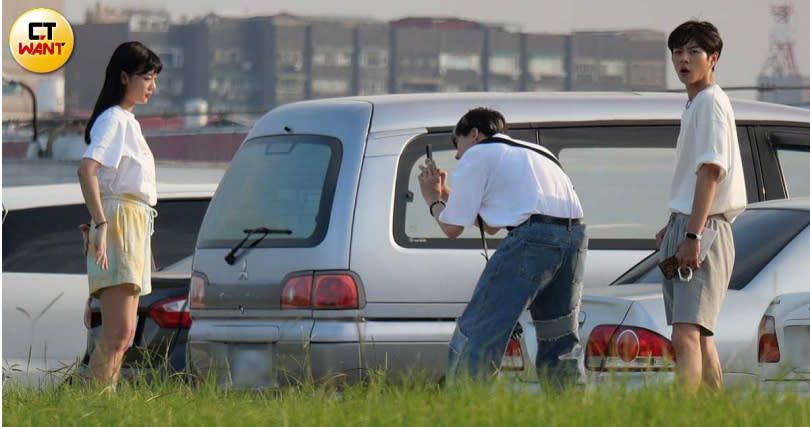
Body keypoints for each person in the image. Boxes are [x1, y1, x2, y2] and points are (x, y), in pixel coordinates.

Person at [418, 107, 586, 385]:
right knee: (559, 338)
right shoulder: (536, 152)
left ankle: (464, 409)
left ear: (473, 134)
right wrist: (450, 193)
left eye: (457, 145)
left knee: (478, 331)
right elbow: (493, 222)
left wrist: (432, 198)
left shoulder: (477, 154)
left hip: (531, 239)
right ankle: (569, 410)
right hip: (574, 237)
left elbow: (451, 228)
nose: (458, 155)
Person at [656, 21, 746, 392]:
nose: (684, 59)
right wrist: (675, 222)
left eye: (694, 52)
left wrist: (692, 232)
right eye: (678, 52)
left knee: (686, 334)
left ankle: (684, 415)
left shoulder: (709, 103)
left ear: (714, 58)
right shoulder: (696, 102)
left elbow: (711, 171)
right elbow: (697, 176)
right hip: (691, 222)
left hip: (704, 227)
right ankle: (713, 414)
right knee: (700, 333)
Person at [77, 41, 162, 389]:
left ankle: (102, 402)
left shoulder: (127, 121)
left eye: (155, 78)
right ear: (124, 77)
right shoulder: (114, 119)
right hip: (121, 222)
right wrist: (101, 222)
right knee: (117, 334)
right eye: (146, 77)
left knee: (124, 335)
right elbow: (87, 170)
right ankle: (97, 405)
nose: (152, 86)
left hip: (134, 223)